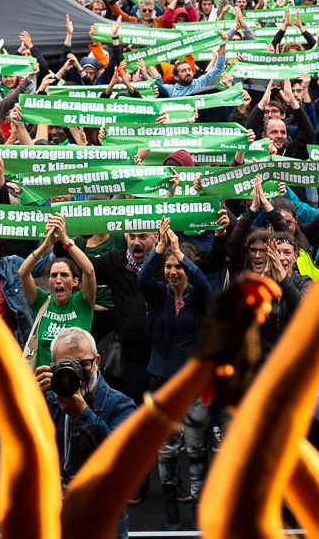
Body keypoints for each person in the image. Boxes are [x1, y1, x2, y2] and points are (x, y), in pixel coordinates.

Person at [138, 218, 212, 525]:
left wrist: (179, 252)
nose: (172, 271)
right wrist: (160, 249)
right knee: (167, 451)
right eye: (168, 267)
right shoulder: (159, 295)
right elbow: (143, 278)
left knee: (196, 450)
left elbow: (204, 284)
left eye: (177, 267)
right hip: (162, 381)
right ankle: (171, 516)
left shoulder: (198, 297)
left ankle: (198, 516)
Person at [34, 327, 137, 538]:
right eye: (67, 366)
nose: (77, 374)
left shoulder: (120, 405)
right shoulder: (45, 401)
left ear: (97, 360)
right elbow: (2, 444)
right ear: (53, 367)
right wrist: (26, 400)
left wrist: (83, 415)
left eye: (83, 364)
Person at [19, 213, 98, 368]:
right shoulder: (42, 302)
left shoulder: (82, 302)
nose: (58, 279)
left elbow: (89, 271)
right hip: (44, 379)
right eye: (54, 275)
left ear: (75, 281)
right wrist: (45, 245)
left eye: (64, 275)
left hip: (76, 378)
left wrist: (65, 240)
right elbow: (23, 273)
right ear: (48, 281)